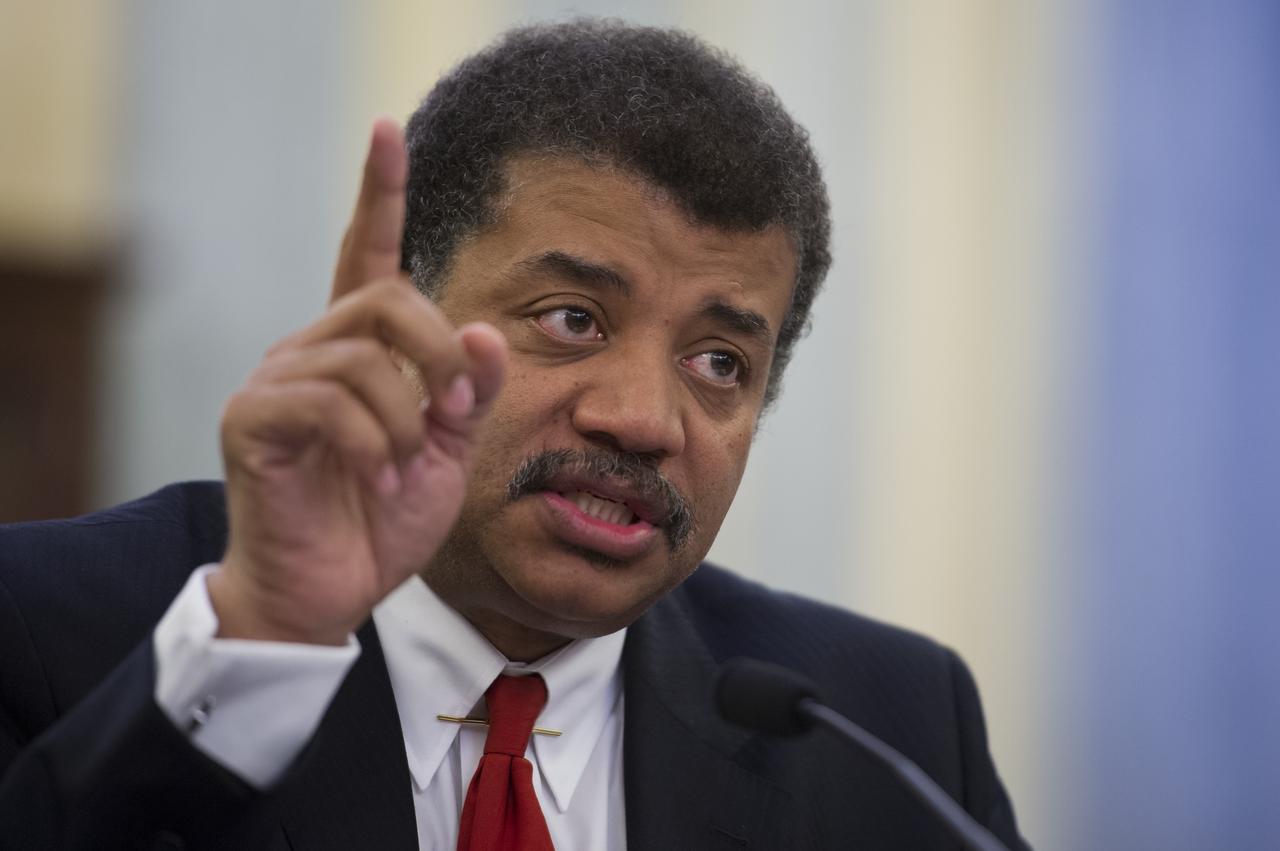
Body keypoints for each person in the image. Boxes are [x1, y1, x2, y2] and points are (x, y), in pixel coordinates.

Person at [0, 20, 1027, 851]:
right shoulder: (43, 631)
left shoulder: (885, 728)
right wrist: (264, 634)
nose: (641, 418)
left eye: (718, 362)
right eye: (570, 318)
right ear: (397, 319)